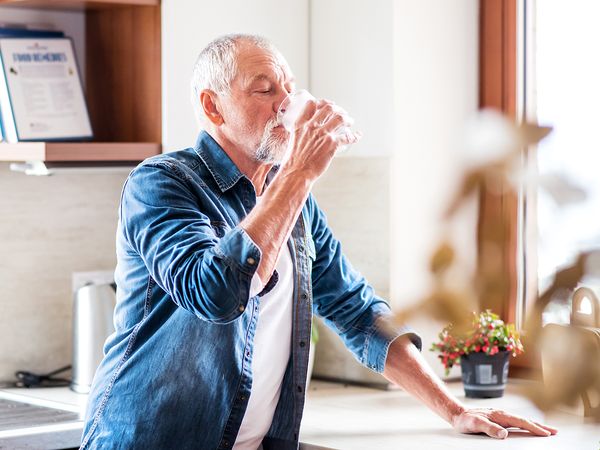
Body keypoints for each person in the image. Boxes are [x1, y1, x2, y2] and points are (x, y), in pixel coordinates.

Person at [81, 34, 557, 450]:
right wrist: (300, 172)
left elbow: (356, 311)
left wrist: (455, 409)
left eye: (288, 88)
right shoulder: (162, 183)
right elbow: (216, 292)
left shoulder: (295, 201)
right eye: (264, 89)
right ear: (212, 107)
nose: (285, 104)